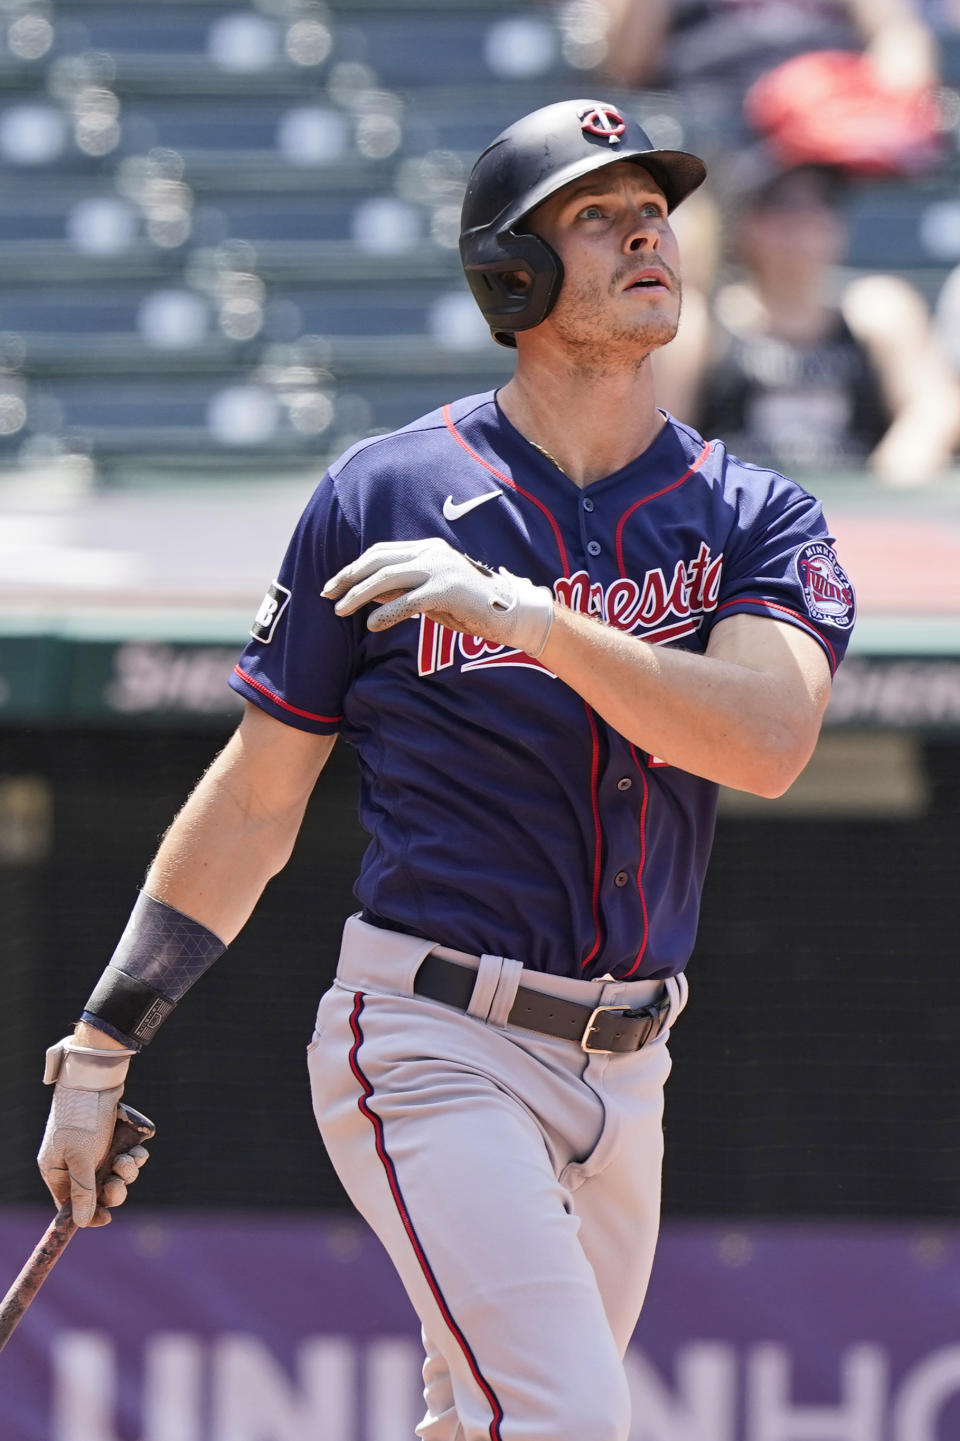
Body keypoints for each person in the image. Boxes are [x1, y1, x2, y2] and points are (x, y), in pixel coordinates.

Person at [37, 100, 856, 1441]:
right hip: (433, 1038)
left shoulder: (755, 514)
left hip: (631, 1062)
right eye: (597, 214)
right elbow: (257, 797)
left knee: (489, 1425)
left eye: (653, 209)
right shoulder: (387, 494)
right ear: (513, 273)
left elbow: (767, 740)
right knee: (564, 1422)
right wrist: (102, 1043)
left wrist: (530, 621)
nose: (646, 230)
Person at [655, 159, 960, 484]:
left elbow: (934, 407)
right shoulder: (699, 325)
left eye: (825, 200)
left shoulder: (878, 312)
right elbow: (661, 442)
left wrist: (891, 483)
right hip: (735, 520)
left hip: (860, 520)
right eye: (785, 204)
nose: (809, 217)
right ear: (745, 222)